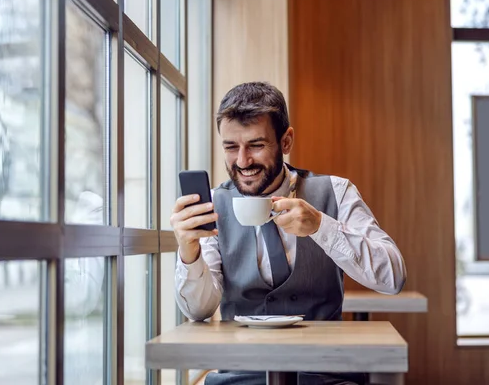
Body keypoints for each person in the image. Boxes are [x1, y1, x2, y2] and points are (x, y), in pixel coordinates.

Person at [170, 82, 407, 385]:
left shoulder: (336, 192)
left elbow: (394, 278)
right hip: (241, 374)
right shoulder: (213, 204)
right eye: (231, 147)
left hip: (326, 374)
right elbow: (200, 310)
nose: (242, 162)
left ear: (286, 141)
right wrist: (189, 253)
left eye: (256, 145)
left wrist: (322, 226)